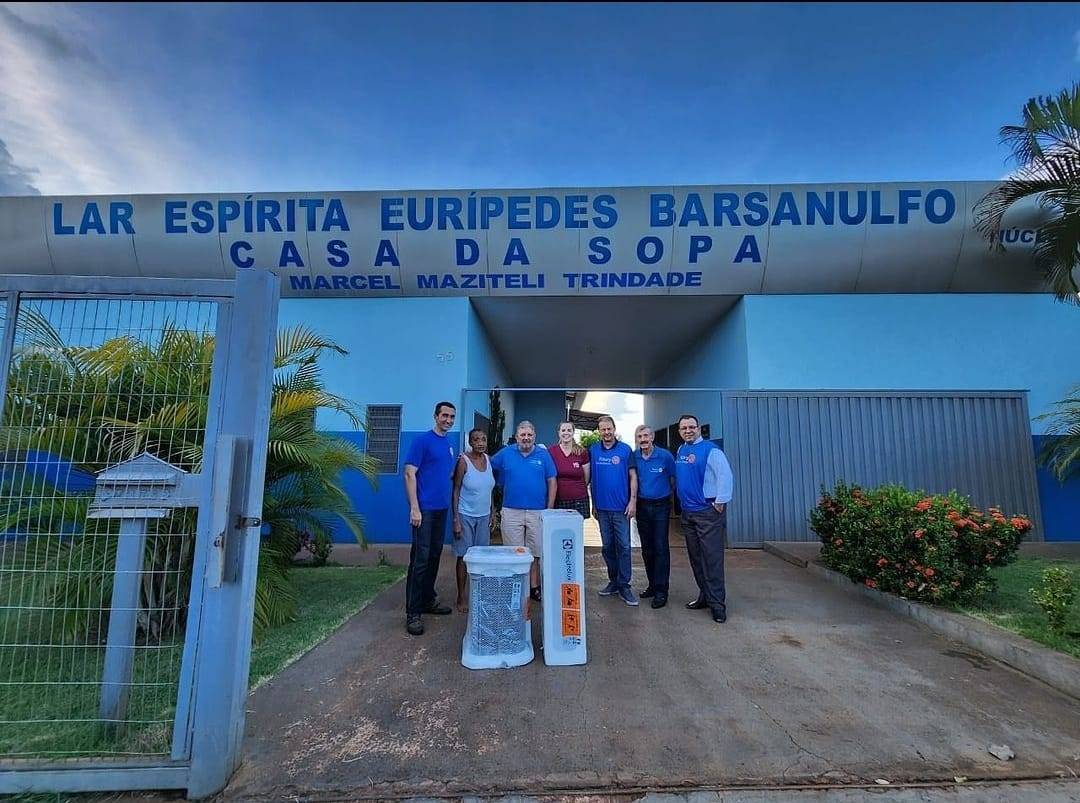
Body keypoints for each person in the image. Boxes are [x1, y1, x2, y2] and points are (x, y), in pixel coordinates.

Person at [402, 401, 458, 636]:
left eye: (451, 417)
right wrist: (415, 508)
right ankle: (413, 613)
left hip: (441, 510)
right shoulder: (422, 441)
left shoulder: (448, 445)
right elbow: (409, 473)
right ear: (435, 416)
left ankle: (427, 600)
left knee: (434, 555)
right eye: (444, 415)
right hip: (423, 511)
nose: (448, 420)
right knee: (420, 559)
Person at [674, 414, 734, 624]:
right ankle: (705, 596)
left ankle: (718, 605)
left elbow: (725, 476)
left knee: (712, 558)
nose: (688, 430)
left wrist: (720, 502)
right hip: (688, 512)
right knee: (696, 558)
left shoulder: (711, 450)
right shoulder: (681, 450)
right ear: (679, 431)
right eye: (684, 428)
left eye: (692, 427)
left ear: (698, 428)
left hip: (707, 512)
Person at [490, 420, 556, 601]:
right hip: (511, 510)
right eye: (522, 435)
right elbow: (488, 465)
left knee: (535, 552)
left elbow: (552, 481)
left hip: (538, 511)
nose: (526, 438)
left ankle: (534, 587)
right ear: (517, 437)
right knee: (514, 551)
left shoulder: (544, 455)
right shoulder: (505, 453)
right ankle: (516, 586)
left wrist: (549, 510)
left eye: (529, 435)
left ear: (534, 436)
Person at [589, 414, 639, 606]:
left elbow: (633, 477)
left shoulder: (625, 450)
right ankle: (614, 581)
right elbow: (590, 476)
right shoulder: (593, 450)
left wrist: (632, 501)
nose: (607, 432)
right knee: (608, 547)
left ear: (614, 428)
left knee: (624, 547)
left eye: (609, 428)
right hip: (602, 509)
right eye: (603, 429)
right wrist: (593, 504)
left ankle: (624, 585)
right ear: (599, 431)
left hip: (621, 509)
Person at [451, 427, 496, 612]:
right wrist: (456, 519)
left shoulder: (488, 459)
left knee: (482, 557)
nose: (480, 443)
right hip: (465, 515)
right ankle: (461, 596)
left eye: (483, 439)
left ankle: (479, 594)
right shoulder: (463, 461)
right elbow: (455, 490)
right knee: (464, 556)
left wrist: (493, 511)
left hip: (484, 516)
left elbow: (490, 488)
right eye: (476, 439)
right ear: (470, 442)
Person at [633, 424, 676, 609]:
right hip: (642, 506)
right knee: (647, 549)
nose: (643, 439)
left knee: (660, 548)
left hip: (660, 507)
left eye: (646, 436)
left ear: (652, 437)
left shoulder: (665, 456)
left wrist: (668, 498)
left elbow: (674, 478)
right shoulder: (634, 456)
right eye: (639, 436)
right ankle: (652, 584)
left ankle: (661, 591)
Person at [549, 421, 591, 519]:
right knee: (559, 531)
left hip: (579, 500)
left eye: (569, 430)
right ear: (559, 433)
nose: (566, 433)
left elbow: (586, 477)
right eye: (563, 430)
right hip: (559, 499)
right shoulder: (551, 451)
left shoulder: (582, 452)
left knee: (576, 532)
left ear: (573, 432)